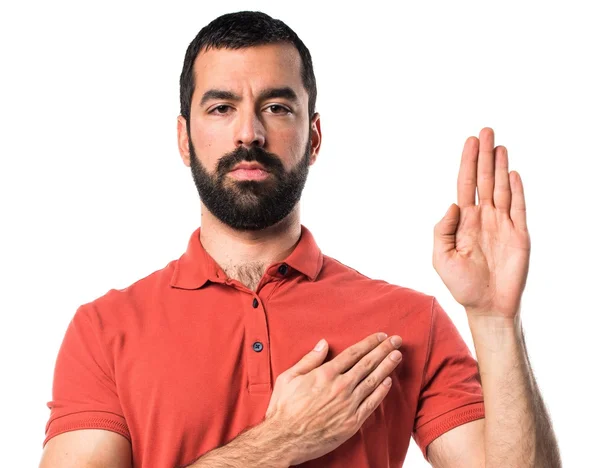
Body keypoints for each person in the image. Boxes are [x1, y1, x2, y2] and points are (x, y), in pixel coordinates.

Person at [39, 10, 561, 468]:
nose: (249, 133)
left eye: (276, 107)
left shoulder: (408, 323)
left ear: (313, 138)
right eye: (221, 108)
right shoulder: (104, 331)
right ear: (184, 138)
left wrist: (495, 322)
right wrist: (279, 441)